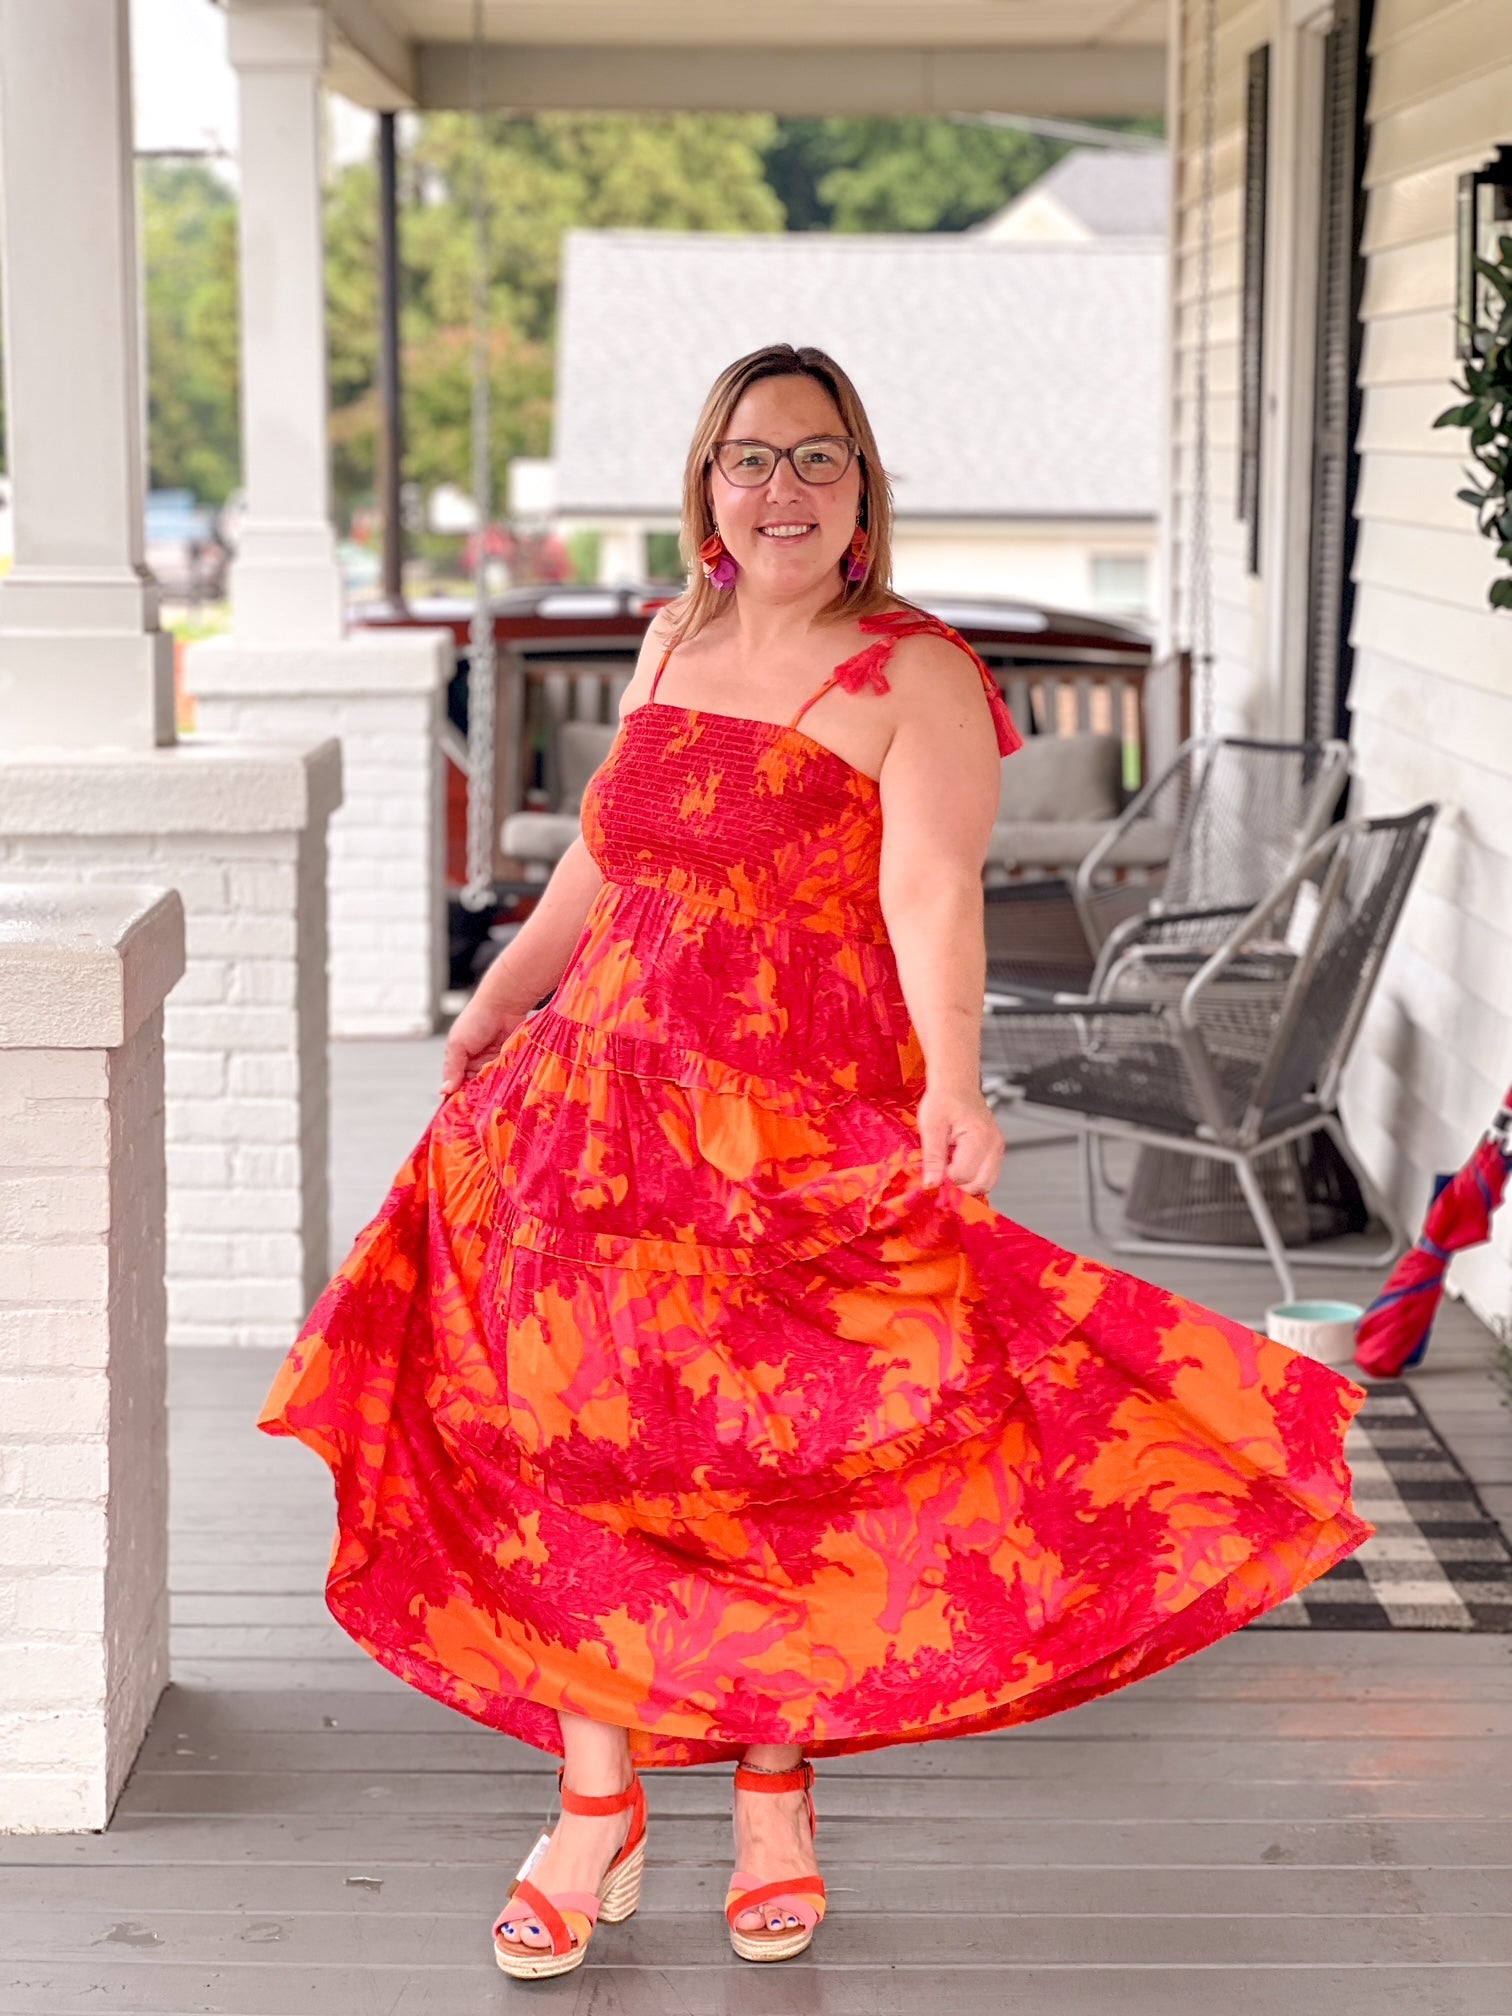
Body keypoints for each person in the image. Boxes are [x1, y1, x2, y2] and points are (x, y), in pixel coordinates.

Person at [261, 343, 1371, 1981]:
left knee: (769, 1456)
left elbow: (933, 896)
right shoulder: (672, 638)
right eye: (750, 457)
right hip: (592, 1112)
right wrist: (496, 1000)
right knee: (574, 1442)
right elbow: (605, 861)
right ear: (707, 486)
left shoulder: (914, 672)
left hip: (792, 1120)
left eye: (816, 457)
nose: (781, 488)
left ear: (863, 489)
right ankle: (597, 1804)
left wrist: (955, 1085)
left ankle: (773, 1796)